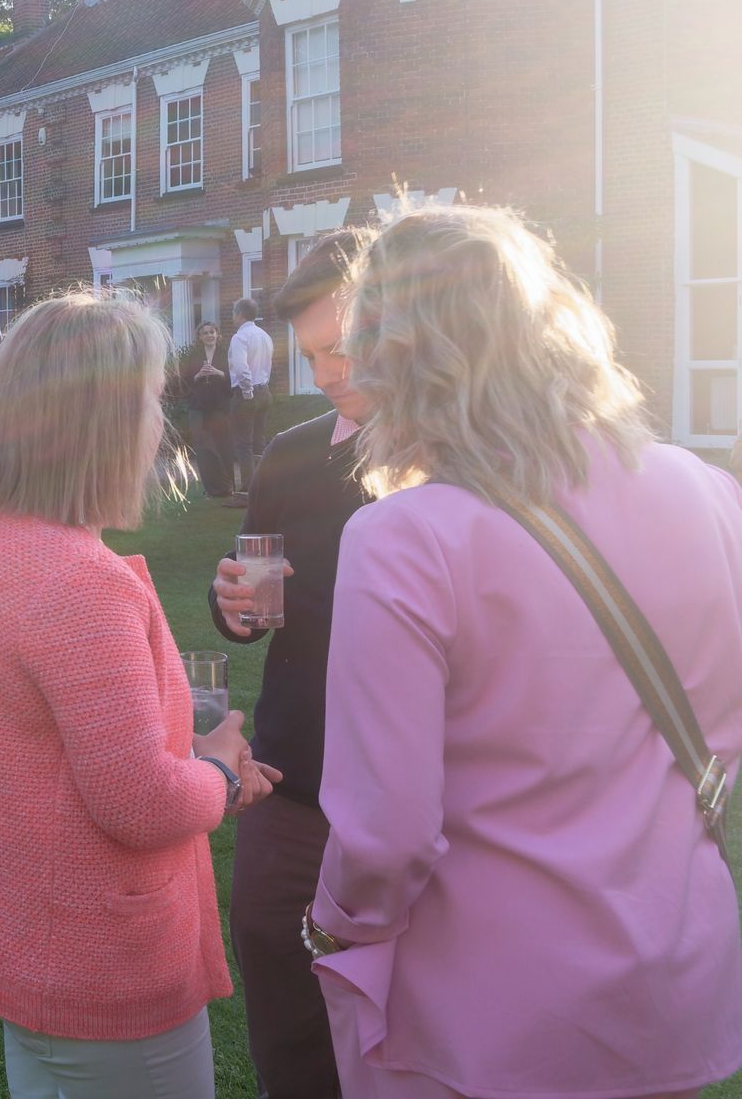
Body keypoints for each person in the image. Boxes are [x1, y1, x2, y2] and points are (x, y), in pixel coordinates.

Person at [309, 204, 742, 1097]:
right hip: (673, 969)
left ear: (393, 358)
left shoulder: (406, 537)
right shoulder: (706, 491)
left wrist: (334, 924)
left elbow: (385, 831)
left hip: (493, 1009)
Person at [0, 291, 277, 1098]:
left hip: (34, 936)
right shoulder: (76, 581)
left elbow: (68, 746)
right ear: (107, 419)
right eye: (153, 399)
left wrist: (194, 757)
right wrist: (221, 774)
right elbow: (140, 802)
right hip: (99, 964)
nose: (161, 421)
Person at [207, 232, 370, 1099]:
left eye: (343, 345)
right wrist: (231, 606)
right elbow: (249, 586)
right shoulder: (296, 453)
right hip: (293, 785)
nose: (330, 371)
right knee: (289, 1030)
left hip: (422, 800)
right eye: (313, 355)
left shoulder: (463, 463)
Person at [226, 296, 275, 506]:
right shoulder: (265, 336)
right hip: (264, 391)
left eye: (233, 313)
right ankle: (264, 488)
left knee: (243, 444)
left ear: (239, 314)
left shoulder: (240, 337)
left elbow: (241, 367)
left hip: (247, 394)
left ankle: (247, 493)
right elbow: (267, 365)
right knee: (258, 443)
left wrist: (246, 392)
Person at [179, 321, 233, 499]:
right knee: (203, 448)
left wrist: (219, 373)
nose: (209, 335)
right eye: (205, 333)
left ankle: (228, 486)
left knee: (222, 446)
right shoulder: (194, 356)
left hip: (219, 407)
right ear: (200, 337)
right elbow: (183, 381)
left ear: (217, 334)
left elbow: (235, 381)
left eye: (212, 332)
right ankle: (212, 489)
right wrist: (198, 376)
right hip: (199, 407)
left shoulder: (226, 354)